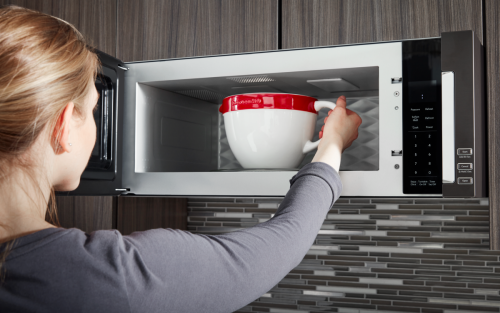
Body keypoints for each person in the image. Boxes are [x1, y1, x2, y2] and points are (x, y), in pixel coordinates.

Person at [0, 5, 361, 313]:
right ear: (64, 126)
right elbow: (283, 242)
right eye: (94, 110)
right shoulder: (108, 277)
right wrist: (331, 146)